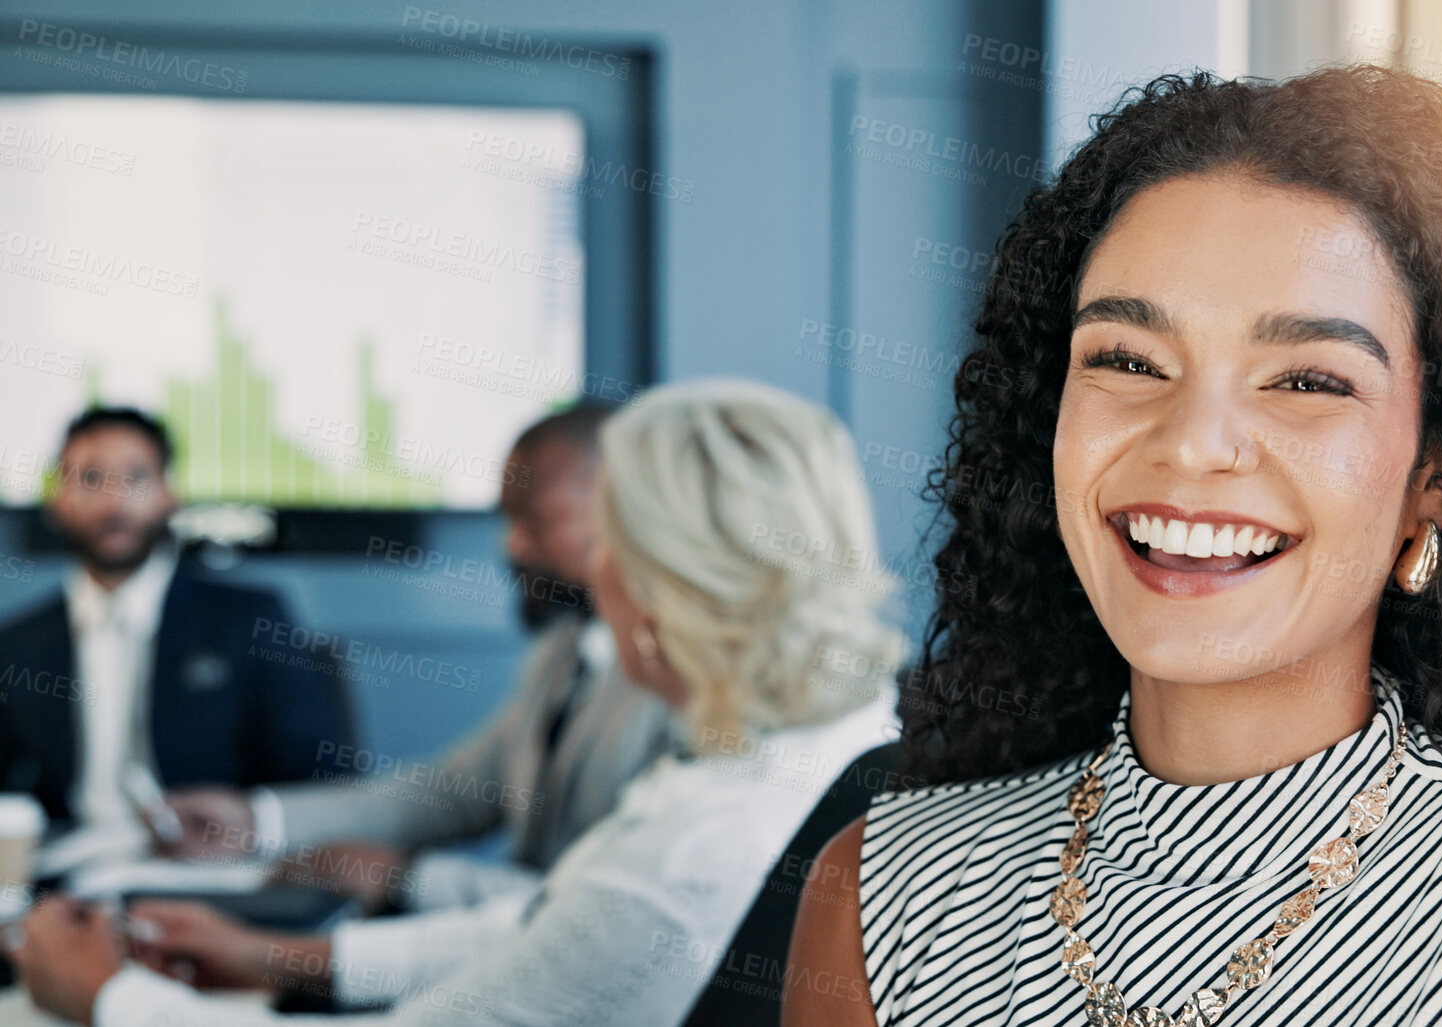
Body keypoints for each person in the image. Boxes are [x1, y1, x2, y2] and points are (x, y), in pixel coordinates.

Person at [785, 66, 1442, 1027]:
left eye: (1307, 381)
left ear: (1435, 474)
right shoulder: (883, 893)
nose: (1193, 442)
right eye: (1126, 360)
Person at [12, 379, 907, 1027]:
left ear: (662, 584)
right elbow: (552, 925)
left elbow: (575, 920)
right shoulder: (798, 752)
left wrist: (109, 996)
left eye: (611, 539)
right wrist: (281, 956)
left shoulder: (689, 849)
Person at [162, 404, 676, 913]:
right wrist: (257, 821)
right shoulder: (564, 650)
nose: (513, 544)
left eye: (537, 522)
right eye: (509, 519)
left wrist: (406, 879)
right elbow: (454, 792)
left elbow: (611, 911)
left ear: (626, 518)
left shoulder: (685, 688)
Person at [0, 407, 353, 853]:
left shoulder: (250, 621)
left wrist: (246, 829)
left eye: (136, 477)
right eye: (90, 478)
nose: (113, 501)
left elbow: (320, 782)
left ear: (170, 494)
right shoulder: (17, 645)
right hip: (64, 871)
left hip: (214, 866)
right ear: (58, 500)